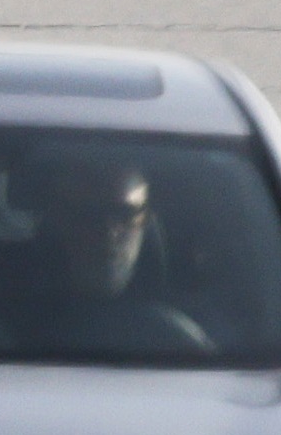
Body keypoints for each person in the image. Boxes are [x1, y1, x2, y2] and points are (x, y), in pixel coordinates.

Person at [25, 148, 215, 358]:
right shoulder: (3, 327)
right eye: (88, 214)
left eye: (125, 214)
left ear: (147, 220)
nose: (108, 231)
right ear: (56, 221)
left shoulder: (191, 339)